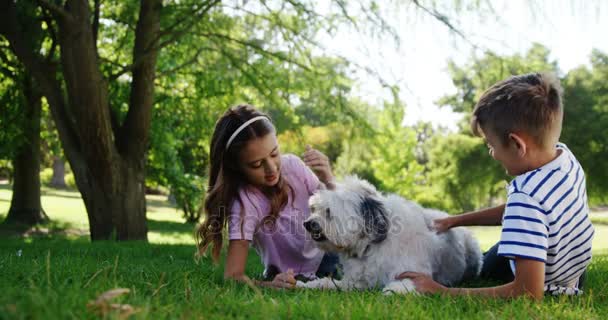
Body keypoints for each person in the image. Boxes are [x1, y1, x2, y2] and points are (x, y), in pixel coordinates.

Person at [397, 73, 594, 300]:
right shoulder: (565, 159)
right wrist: (455, 221)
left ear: (517, 144)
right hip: (572, 270)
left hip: (549, 283)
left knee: (486, 265)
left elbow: (529, 293)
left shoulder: (526, 198)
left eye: (491, 145)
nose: (492, 153)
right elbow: (523, 214)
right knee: (503, 247)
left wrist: (443, 291)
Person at [196, 104, 338, 288]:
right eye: (256, 164)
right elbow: (233, 276)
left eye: (274, 154)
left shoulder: (293, 166)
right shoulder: (244, 203)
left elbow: (336, 211)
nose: (271, 168)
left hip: (327, 256)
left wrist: (328, 178)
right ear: (236, 167)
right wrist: (269, 285)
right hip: (283, 273)